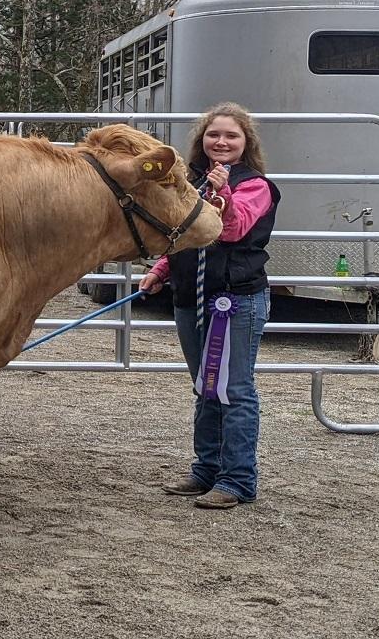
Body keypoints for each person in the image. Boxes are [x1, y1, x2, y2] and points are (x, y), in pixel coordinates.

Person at [139, 102, 280, 509]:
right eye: (214, 134)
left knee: (233, 388)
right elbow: (184, 234)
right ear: (202, 139)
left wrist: (224, 192)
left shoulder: (255, 186)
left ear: (245, 143)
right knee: (206, 386)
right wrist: (162, 269)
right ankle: (206, 469)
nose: (221, 141)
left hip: (234, 299)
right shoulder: (190, 182)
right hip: (192, 297)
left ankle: (237, 479)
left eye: (231, 135)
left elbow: (232, 231)